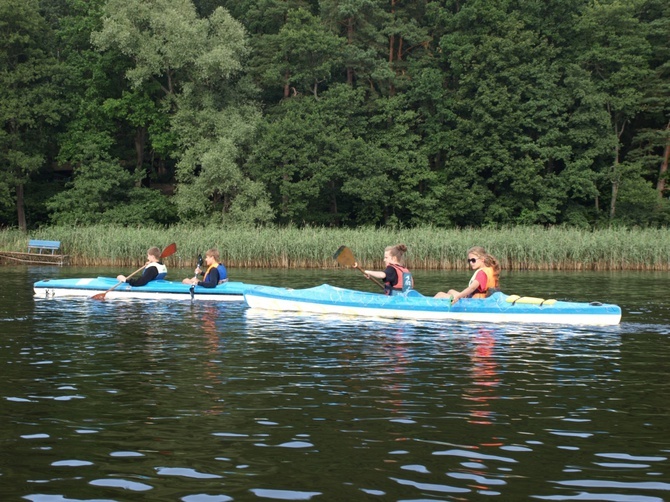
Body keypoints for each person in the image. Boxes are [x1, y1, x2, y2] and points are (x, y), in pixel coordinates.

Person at [435, 246, 500, 303]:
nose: (471, 263)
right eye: (469, 261)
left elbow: (472, 288)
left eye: (473, 260)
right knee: (450, 291)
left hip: (476, 302)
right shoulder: (489, 269)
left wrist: (458, 297)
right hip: (482, 299)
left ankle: (428, 309)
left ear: (482, 259)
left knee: (440, 294)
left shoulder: (482, 273)